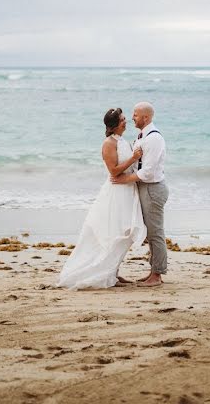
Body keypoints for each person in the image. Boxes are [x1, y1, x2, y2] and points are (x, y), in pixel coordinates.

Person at [57, 108, 147, 289]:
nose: (125, 121)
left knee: (125, 234)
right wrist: (133, 158)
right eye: (122, 120)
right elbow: (113, 171)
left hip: (128, 191)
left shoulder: (123, 141)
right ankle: (105, 273)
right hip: (116, 193)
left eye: (124, 119)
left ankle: (112, 271)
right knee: (115, 232)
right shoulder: (108, 143)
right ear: (113, 125)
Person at [110, 101, 168, 287]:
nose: (132, 117)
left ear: (146, 117)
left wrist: (122, 180)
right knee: (151, 233)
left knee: (155, 232)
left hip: (152, 189)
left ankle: (157, 275)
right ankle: (153, 271)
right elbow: (138, 165)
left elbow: (148, 172)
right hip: (145, 188)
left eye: (135, 114)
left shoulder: (154, 139)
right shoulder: (143, 135)